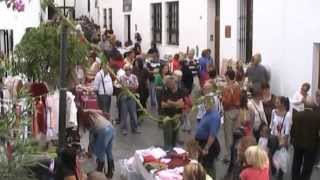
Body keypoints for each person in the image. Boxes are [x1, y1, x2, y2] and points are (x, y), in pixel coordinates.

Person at [77, 108, 114, 178]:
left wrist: (89, 150)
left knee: (100, 153)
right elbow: (101, 111)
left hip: (103, 131)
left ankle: (99, 174)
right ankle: (110, 172)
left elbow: (92, 137)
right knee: (109, 151)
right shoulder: (89, 112)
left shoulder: (86, 119)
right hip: (110, 128)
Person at [291, 101, 320, 180]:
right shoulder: (317, 117)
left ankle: (295, 178)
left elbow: (292, 130)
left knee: (296, 164)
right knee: (307, 166)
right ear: (313, 106)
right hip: (311, 145)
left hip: (298, 144)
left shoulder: (297, 115)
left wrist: (292, 141)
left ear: (304, 105)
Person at [195, 94, 221, 179]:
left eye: (207, 103)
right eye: (204, 103)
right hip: (201, 142)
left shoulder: (214, 116)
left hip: (208, 144)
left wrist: (206, 148)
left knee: (209, 166)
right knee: (203, 165)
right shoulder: (208, 113)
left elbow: (212, 135)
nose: (205, 105)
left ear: (213, 104)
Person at [269, 96, 291, 179]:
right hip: (273, 137)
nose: (275, 103)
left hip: (282, 139)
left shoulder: (288, 115)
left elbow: (287, 130)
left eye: (277, 102)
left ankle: (280, 175)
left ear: (283, 104)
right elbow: (271, 124)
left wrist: (283, 142)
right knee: (272, 155)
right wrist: (269, 135)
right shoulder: (273, 111)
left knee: (282, 157)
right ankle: (273, 169)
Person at [160, 75, 184, 150]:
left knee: (175, 136)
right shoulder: (166, 91)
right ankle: (168, 150)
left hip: (177, 117)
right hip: (167, 117)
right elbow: (163, 105)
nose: (168, 85)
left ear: (175, 83)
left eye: (170, 84)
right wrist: (176, 103)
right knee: (167, 136)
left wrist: (170, 103)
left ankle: (173, 149)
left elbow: (181, 105)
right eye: (167, 84)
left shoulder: (181, 91)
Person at [222, 69, 241, 163]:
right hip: (237, 111)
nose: (225, 77)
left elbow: (227, 102)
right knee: (235, 133)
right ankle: (236, 154)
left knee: (228, 134)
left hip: (229, 111)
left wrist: (222, 101)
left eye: (226, 76)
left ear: (228, 76)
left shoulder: (226, 87)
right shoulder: (238, 85)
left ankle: (228, 156)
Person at [119, 64, 140, 135]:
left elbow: (136, 86)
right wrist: (130, 87)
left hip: (132, 97)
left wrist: (128, 87)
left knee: (133, 114)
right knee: (124, 114)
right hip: (124, 97)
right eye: (126, 69)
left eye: (129, 69)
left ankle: (135, 128)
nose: (128, 71)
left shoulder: (134, 77)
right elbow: (122, 87)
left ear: (131, 70)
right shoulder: (121, 77)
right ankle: (124, 129)